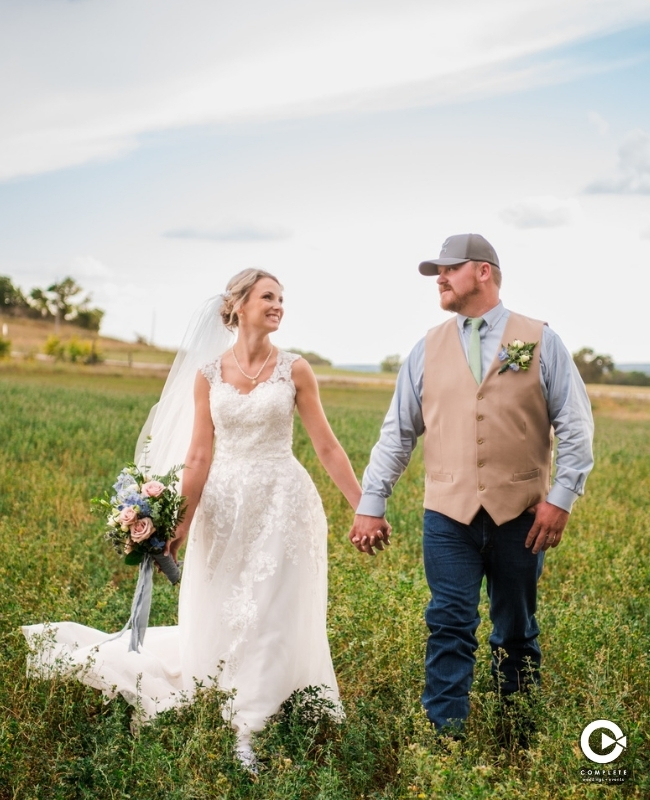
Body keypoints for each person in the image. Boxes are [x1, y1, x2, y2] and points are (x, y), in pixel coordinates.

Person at [23, 268, 368, 771]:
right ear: (239, 305)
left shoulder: (295, 369)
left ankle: (252, 723)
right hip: (224, 508)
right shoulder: (207, 375)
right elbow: (198, 457)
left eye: (282, 299)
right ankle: (230, 697)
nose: (278, 305)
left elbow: (327, 446)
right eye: (268, 297)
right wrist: (178, 524)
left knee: (274, 607)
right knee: (226, 602)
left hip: (283, 501)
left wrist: (364, 505)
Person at [348, 233, 594, 738]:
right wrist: (371, 503)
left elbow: (575, 426)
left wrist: (561, 500)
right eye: (437, 271)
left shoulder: (541, 339)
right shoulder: (425, 349)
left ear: (483, 272)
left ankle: (519, 734)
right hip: (448, 516)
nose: (439, 278)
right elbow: (397, 434)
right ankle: (446, 739)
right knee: (449, 624)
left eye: (449, 268)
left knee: (517, 632)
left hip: (523, 515)